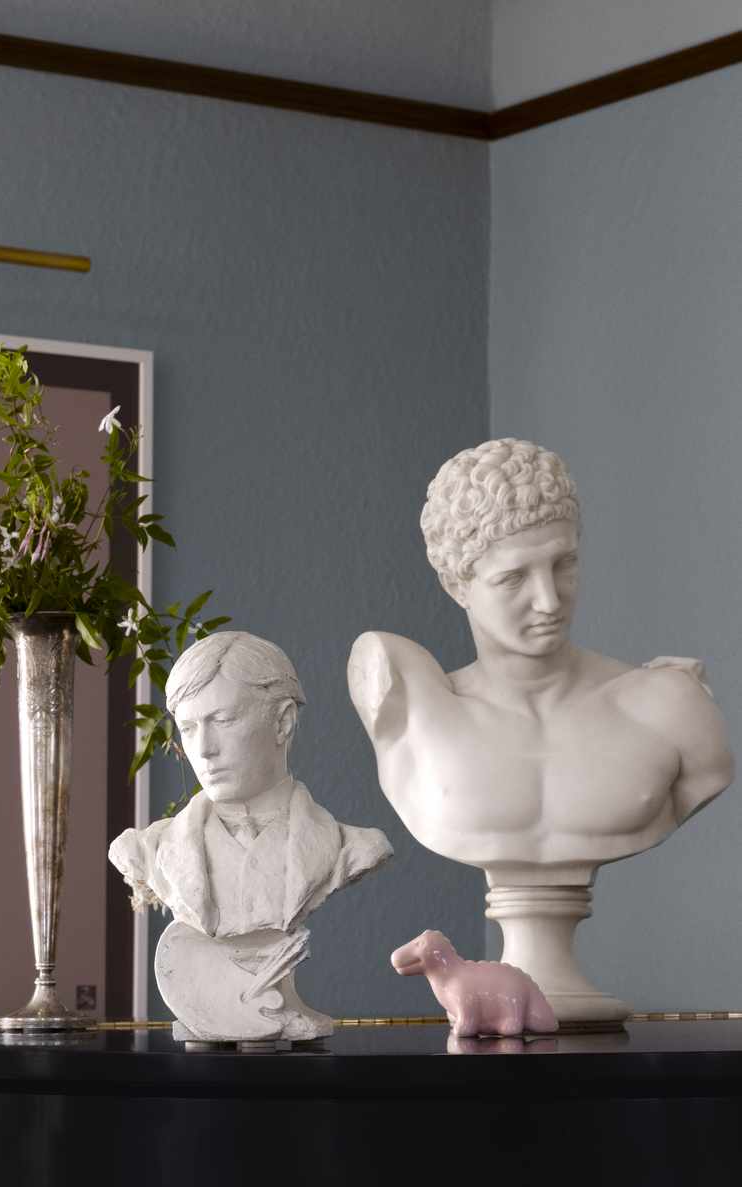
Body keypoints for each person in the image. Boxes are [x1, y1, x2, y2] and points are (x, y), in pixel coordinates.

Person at [348, 439, 732, 1021]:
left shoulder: (666, 706)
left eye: (565, 564)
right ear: (458, 586)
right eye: (513, 579)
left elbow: (711, 773)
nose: (549, 599)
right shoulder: (416, 706)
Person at [110, 630, 390, 1042]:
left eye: (222, 720)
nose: (203, 749)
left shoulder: (354, 848)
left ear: (282, 722)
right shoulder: (145, 850)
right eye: (188, 728)